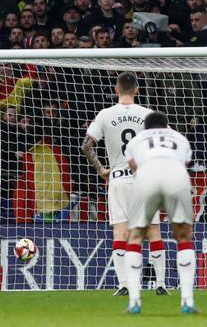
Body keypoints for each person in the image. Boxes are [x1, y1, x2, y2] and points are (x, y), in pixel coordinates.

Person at [82, 72, 168, 296]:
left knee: (121, 234)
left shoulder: (105, 114)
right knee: (153, 232)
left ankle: (124, 285)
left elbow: (86, 146)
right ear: (137, 90)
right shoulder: (148, 114)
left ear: (116, 89)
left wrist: (101, 169)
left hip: (118, 179)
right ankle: (160, 284)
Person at [124, 112, 198, 315]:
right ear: (166, 126)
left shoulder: (138, 139)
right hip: (176, 176)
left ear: (146, 128)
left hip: (146, 176)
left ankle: (134, 302)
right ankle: (187, 301)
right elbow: (185, 163)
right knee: (183, 236)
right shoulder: (179, 138)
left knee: (136, 235)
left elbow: (133, 165)